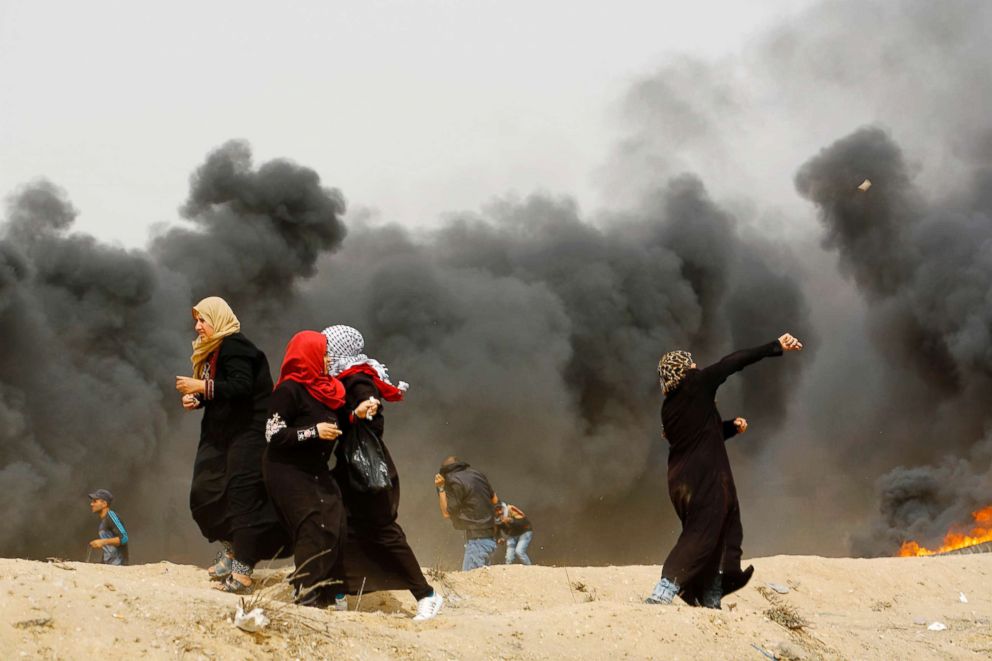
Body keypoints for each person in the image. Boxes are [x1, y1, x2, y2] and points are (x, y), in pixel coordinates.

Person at [647, 332, 803, 609]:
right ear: (683, 370)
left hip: (681, 482)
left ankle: (710, 598)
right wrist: (775, 345)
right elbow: (732, 363)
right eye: (691, 363)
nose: (696, 366)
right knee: (702, 533)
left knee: (719, 533)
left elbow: (701, 436)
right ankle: (664, 589)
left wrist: (731, 427)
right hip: (704, 478)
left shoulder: (669, 407)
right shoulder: (694, 383)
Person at [322, 325, 443, 621]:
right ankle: (338, 593)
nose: (324, 353)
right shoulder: (344, 378)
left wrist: (365, 407)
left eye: (328, 348)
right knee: (341, 529)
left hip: (367, 471)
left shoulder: (356, 379)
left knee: (384, 532)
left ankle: (427, 595)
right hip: (350, 470)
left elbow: (368, 400)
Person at [175, 296, 290, 594]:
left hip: (248, 434)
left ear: (219, 319)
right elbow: (223, 391)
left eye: (203, 320)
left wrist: (201, 386)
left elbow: (241, 387)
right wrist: (197, 399)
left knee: (242, 495)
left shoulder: (237, 347)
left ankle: (243, 571)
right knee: (205, 490)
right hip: (221, 434)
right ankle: (232, 548)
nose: (197, 327)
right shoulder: (214, 352)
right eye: (196, 321)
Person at [263, 330, 358, 609]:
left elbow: (344, 418)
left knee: (335, 520)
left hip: (315, 469)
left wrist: (359, 413)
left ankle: (329, 589)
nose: (328, 359)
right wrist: (313, 432)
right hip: (286, 469)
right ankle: (306, 592)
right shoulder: (289, 390)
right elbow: (273, 434)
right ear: (310, 356)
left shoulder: (330, 390)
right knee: (311, 524)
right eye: (324, 353)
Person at [434, 457, 499, 570]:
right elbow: (495, 500)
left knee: (472, 581)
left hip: (477, 540)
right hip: (491, 538)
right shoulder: (478, 474)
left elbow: (446, 513)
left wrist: (440, 488)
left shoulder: (452, 480)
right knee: (483, 580)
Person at [88, 489, 129, 565]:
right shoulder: (104, 522)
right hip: (110, 565)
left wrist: (103, 542)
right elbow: (109, 550)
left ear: (104, 504)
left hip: (118, 566)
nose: (91, 504)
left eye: (95, 501)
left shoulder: (112, 516)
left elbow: (124, 538)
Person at [496, 502, 534, 566]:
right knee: (509, 557)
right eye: (496, 510)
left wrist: (511, 520)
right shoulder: (495, 518)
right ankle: (506, 572)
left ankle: (530, 568)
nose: (499, 512)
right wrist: (499, 537)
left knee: (519, 551)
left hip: (524, 531)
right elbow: (496, 529)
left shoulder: (510, 509)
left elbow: (523, 521)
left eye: (500, 509)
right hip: (512, 534)